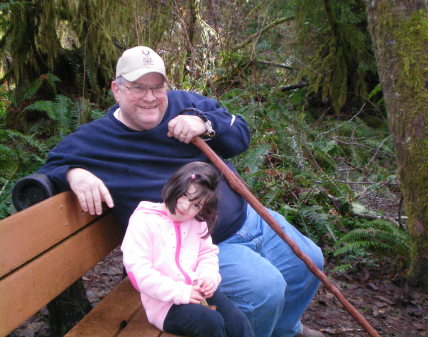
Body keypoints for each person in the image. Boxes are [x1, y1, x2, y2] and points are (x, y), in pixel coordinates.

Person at [37, 45, 325, 337]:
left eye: (157, 87)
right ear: (116, 89)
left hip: (250, 218)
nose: (150, 97)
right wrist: (74, 173)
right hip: (201, 247)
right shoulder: (96, 140)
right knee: (265, 289)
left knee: (310, 261)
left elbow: (241, 133)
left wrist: (205, 124)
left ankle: (285, 329)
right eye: (137, 87)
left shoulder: (184, 103)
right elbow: (47, 170)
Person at [121, 161, 254, 337]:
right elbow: (139, 273)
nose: (185, 207)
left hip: (197, 291)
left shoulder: (197, 222)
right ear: (174, 186)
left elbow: (206, 254)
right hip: (164, 303)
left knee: (237, 322)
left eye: (196, 205)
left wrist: (208, 277)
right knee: (211, 323)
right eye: (184, 195)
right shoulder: (144, 220)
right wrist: (181, 292)